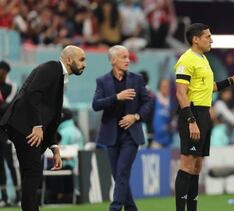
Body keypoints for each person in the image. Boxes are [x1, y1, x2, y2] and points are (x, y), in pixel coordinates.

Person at [0, 45, 86, 211]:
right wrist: (37, 125)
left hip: (24, 128)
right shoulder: (52, 67)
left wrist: (54, 147)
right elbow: (32, 94)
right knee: (32, 174)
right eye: (81, 59)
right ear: (69, 60)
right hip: (25, 128)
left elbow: (51, 117)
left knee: (30, 175)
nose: (84, 64)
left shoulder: (58, 74)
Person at [174, 23, 234, 211]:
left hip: (204, 114)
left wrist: (232, 80)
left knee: (197, 166)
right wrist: (191, 121)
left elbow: (209, 87)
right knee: (187, 164)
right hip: (192, 114)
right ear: (195, 39)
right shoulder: (186, 60)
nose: (211, 39)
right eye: (207, 36)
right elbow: (181, 93)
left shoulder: (203, 59)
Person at [92, 45, 152, 211]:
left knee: (122, 173)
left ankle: (115, 207)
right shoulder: (102, 81)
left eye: (128, 57)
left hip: (131, 136)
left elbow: (147, 102)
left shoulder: (137, 79)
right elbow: (96, 105)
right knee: (118, 176)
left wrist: (136, 116)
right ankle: (131, 208)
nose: (128, 60)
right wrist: (116, 97)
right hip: (111, 135)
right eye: (123, 57)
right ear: (113, 60)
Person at [0, 61, 20, 206]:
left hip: (7, 132)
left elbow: (8, 106)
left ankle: (19, 196)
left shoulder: (12, 87)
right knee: (0, 165)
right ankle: (5, 197)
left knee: (12, 164)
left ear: (6, 71)